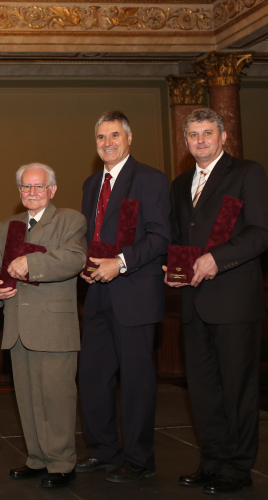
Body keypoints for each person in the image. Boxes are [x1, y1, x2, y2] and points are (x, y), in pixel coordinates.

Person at [165, 108, 268, 494]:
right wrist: (171, 266)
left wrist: (217, 260)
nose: (200, 140)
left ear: (223, 137)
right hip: (193, 302)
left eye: (208, 133)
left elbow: (261, 232)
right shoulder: (179, 184)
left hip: (234, 301)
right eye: (193, 134)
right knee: (204, 389)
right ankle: (212, 461)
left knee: (237, 389)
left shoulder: (246, 173)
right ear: (186, 141)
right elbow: (180, 236)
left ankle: (239, 467)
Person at [77, 111, 171, 482]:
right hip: (97, 295)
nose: (107, 143)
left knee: (135, 383)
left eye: (114, 135)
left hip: (134, 295)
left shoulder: (149, 179)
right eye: (101, 137)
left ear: (129, 138)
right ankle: (102, 451)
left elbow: (160, 236)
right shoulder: (90, 184)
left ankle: (138, 460)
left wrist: (121, 262)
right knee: (93, 377)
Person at [0, 163, 87, 488]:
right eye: (26, 187)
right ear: (19, 192)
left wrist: (30, 263)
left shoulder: (70, 220)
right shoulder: (8, 225)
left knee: (56, 397)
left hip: (53, 325)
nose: (31, 192)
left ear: (52, 190)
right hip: (17, 322)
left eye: (38, 187)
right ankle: (37, 458)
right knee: (28, 399)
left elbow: (74, 258)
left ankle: (61, 463)